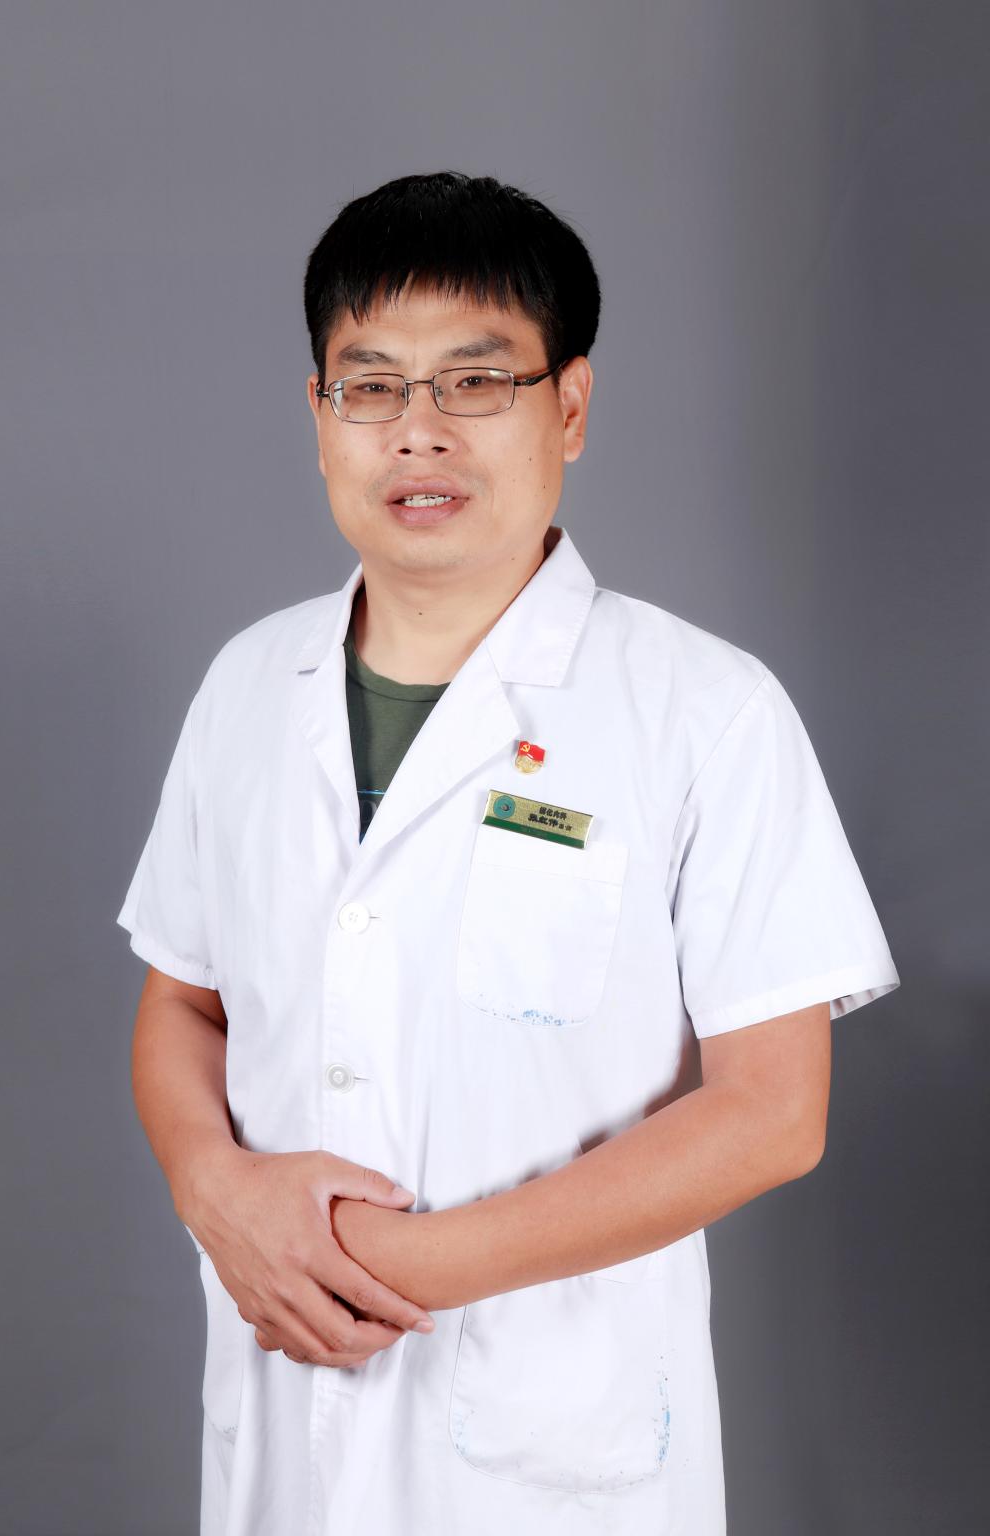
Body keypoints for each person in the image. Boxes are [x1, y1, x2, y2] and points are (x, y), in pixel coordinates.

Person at [117, 170, 900, 1536]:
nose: (417, 431)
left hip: (551, 1451)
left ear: (571, 406)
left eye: (475, 382)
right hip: (285, 1421)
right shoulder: (246, 687)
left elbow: (773, 1112)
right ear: (319, 416)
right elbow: (183, 1000)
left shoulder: (704, 711)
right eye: (371, 386)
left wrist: (405, 1265)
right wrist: (215, 1188)